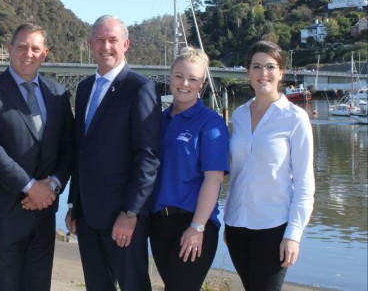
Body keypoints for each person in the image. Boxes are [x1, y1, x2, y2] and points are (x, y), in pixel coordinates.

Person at [0, 23, 75, 291]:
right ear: (10, 49)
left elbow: (69, 147)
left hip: (45, 212)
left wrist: (51, 187)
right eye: (23, 46)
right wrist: (30, 186)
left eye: (36, 48)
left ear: (45, 53)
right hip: (4, 211)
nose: (29, 53)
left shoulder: (58, 95)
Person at [65, 15, 161, 291]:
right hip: (88, 214)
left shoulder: (140, 88)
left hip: (123, 215)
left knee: (133, 285)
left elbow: (147, 156)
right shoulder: (84, 89)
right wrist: (74, 204)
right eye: (100, 40)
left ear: (126, 44)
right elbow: (81, 150)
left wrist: (131, 213)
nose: (105, 46)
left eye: (113, 40)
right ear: (91, 43)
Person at [224, 40, 315, 291]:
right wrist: (228, 223)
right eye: (256, 67)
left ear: (281, 72)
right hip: (237, 226)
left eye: (270, 66)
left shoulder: (295, 118)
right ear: (248, 73)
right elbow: (237, 173)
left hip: (274, 228)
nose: (263, 73)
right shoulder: (240, 115)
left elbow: (305, 183)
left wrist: (294, 234)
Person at [149, 47, 229, 291]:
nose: (184, 83)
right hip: (159, 224)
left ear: (201, 84)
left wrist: (197, 227)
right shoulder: (158, 120)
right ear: (170, 77)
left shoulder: (210, 122)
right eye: (179, 76)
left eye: (193, 79)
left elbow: (213, 180)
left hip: (194, 224)